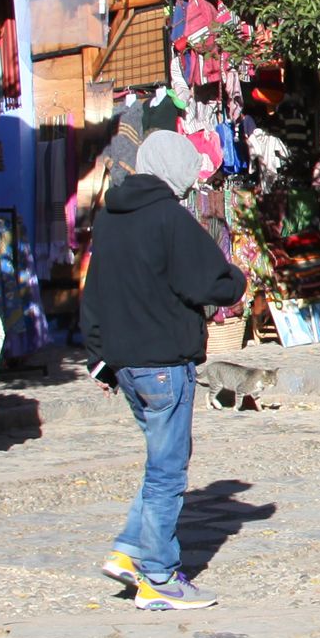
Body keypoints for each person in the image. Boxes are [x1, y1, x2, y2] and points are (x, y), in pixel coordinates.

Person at [79, 129, 245, 611]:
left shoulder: (110, 217)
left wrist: (99, 359)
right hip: (163, 364)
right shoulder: (170, 219)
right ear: (177, 170)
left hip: (125, 364)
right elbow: (210, 281)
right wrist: (237, 280)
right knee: (169, 471)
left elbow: (95, 293)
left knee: (160, 464)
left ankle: (131, 551)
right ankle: (158, 576)